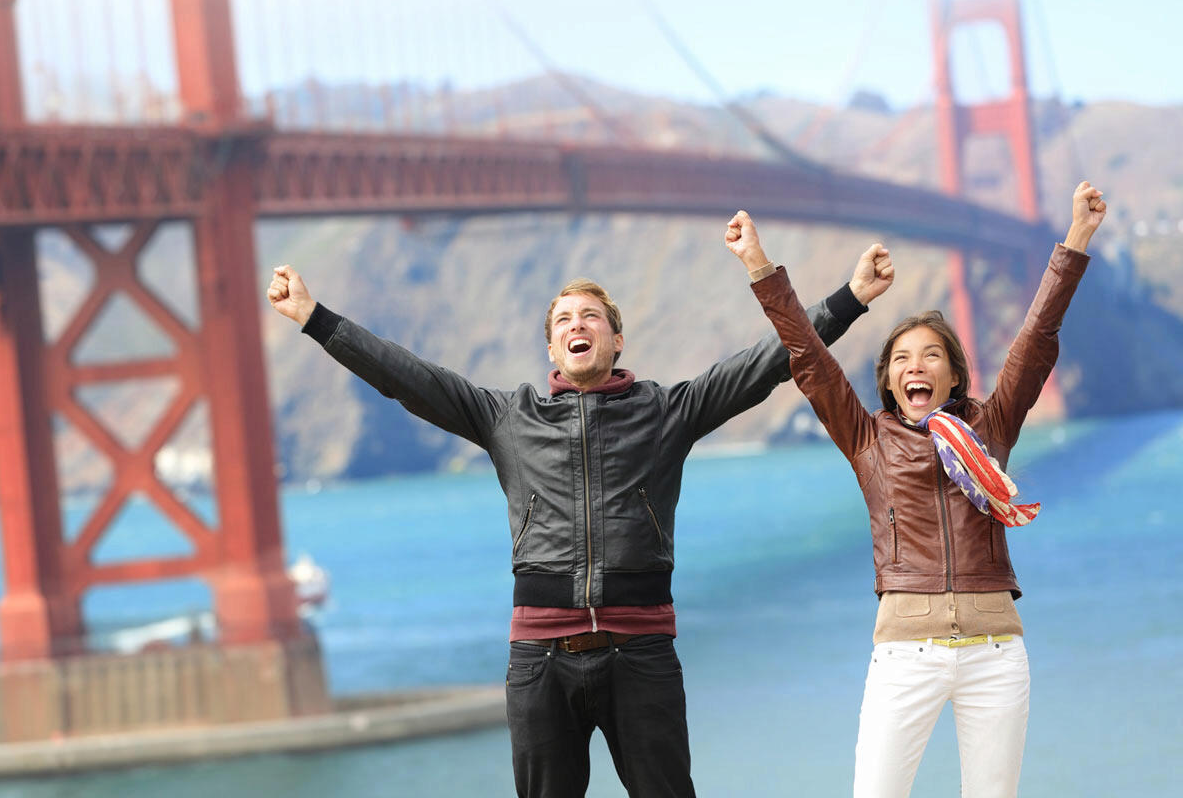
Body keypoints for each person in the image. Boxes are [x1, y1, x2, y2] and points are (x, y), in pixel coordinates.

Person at [266, 222, 893, 798]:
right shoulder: (506, 418)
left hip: (640, 653)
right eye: (565, 318)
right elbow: (405, 376)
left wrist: (851, 297)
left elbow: (766, 363)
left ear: (615, 339)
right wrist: (314, 318)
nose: (578, 324)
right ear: (552, 347)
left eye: (591, 316)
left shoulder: (666, 411)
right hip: (538, 663)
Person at [735, 181, 1108, 798]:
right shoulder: (867, 440)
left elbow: (1036, 340)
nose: (917, 366)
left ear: (955, 374)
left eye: (932, 355)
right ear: (888, 381)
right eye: (903, 357)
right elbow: (806, 357)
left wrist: (1076, 238)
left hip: (995, 652)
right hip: (904, 655)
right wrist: (757, 264)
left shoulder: (988, 427)